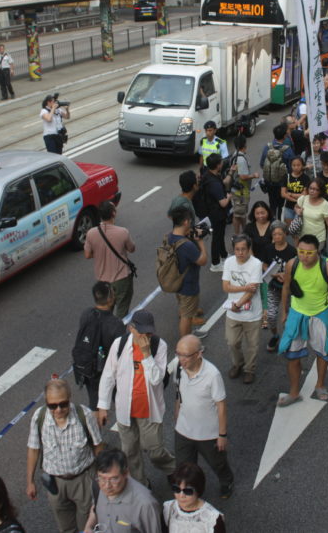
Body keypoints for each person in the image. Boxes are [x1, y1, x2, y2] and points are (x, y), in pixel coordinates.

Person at [97, 310, 177, 486]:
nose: (145, 336)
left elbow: (157, 379)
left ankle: (171, 468)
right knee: (130, 451)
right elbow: (109, 375)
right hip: (125, 410)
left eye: (149, 333)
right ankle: (141, 484)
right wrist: (103, 406)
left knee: (154, 449)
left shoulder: (159, 346)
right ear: (130, 328)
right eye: (141, 332)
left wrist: (147, 354)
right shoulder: (119, 344)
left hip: (149, 410)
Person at [25, 377, 103, 533]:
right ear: (46, 402)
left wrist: (102, 478)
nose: (58, 409)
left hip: (83, 480)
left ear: (69, 398)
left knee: (87, 526)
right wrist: (30, 481)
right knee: (65, 528)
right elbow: (34, 449)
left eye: (63, 404)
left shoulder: (85, 416)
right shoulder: (39, 418)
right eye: (52, 406)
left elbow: (98, 447)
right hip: (55, 483)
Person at [277, 234, 328, 405]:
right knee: (292, 355)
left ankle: (320, 385)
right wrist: (284, 312)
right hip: (297, 313)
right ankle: (293, 392)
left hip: (321, 314)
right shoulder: (292, 264)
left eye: (309, 253)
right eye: (301, 252)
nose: (304, 256)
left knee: (322, 352)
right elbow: (285, 288)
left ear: (318, 252)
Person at [173, 336, 234, 499]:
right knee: (184, 468)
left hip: (208, 433)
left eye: (185, 355)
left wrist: (222, 435)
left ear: (199, 354)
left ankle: (226, 480)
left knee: (217, 463)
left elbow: (221, 405)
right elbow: (178, 393)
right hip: (184, 430)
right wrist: (177, 413)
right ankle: (190, 492)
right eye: (178, 354)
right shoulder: (179, 369)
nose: (181, 359)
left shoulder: (212, 375)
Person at [72, 281, 126, 408]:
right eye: (113, 294)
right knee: (119, 398)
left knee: (94, 402)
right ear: (110, 299)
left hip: (87, 367)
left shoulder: (86, 314)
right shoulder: (116, 324)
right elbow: (120, 352)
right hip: (106, 370)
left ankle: (95, 424)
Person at [84, 449, 163, 533]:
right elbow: (95, 507)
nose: (107, 486)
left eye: (114, 479)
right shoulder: (97, 485)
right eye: (102, 478)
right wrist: (89, 526)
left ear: (126, 473)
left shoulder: (145, 505)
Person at [221, 235, 263, 384]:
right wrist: (245, 287)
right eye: (237, 249)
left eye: (243, 249)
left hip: (252, 314)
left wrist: (238, 304)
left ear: (248, 249)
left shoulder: (256, 264)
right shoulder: (229, 262)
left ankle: (249, 369)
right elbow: (225, 287)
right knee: (232, 342)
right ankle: (238, 363)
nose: (240, 253)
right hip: (233, 312)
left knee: (252, 345)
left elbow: (252, 291)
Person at [85, 201, 136, 318]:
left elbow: (87, 255)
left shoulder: (91, 233)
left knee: (105, 313)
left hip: (102, 281)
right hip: (121, 279)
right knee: (122, 311)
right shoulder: (123, 232)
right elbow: (132, 249)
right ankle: (118, 333)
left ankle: (106, 333)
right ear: (113, 213)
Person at [166, 206, 209, 338]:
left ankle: (190, 333)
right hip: (188, 285)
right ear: (185, 222)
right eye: (190, 221)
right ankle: (186, 343)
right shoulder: (187, 245)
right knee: (186, 316)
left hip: (176, 281)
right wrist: (200, 242)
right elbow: (202, 260)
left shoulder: (170, 236)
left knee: (185, 311)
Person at [260, 221, 295, 353]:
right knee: (271, 316)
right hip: (272, 286)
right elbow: (263, 264)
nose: (277, 236)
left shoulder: (292, 251)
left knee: (289, 316)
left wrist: (286, 276)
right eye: (274, 234)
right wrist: (273, 274)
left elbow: (296, 269)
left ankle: (288, 339)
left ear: (285, 234)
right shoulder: (268, 248)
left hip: (289, 289)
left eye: (280, 234)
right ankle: (275, 335)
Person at [162, 463, 226, 532]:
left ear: (198, 490)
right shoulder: (168, 508)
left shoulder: (213, 519)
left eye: (187, 491)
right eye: (176, 489)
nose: (181, 495)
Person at [201, 153, 232, 272]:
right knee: (217, 237)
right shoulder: (213, 183)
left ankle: (223, 255)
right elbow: (223, 203)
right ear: (218, 165)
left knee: (220, 235)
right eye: (221, 162)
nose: (222, 163)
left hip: (213, 212)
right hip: (217, 214)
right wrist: (228, 196)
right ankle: (215, 263)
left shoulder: (208, 175)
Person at [295, 179, 328, 255]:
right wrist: (297, 211)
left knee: (313, 258)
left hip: (318, 238)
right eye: (311, 188)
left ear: (321, 191)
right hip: (303, 236)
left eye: (316, 189)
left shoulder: (325, 204)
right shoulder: (303, 199)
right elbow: (296, 206)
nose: (312, 191)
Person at [260, 123, 294, 219]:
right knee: (282, 205)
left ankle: (272, 223)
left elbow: (262, 164)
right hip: (282, 184)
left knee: (272, 204)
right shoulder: (287, 150)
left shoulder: (267, 147)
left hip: (270, 183)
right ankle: (279, 223)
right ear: (284, 136)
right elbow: (291, 167)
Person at [229, 135, 257, 236]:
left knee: (240, 213)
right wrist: (254, 175)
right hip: (241, 192)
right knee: (239, 214)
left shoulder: (235, 155)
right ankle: (239, 235)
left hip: (237, 190)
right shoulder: (241, 159)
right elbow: (243, 176)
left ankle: (242, 233)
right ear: (244, 145)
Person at [280, 156, 310, 225]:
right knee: (291, 229)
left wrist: (291, 194)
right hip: (288, 207)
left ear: (302, 165)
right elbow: (283, 194)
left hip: (301, 207)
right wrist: (296, 200)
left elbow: (305, 194)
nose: (296, 167)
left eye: (298, 165)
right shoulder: (286, 176)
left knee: (298, 228)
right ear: (291, 166)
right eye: (294, 165)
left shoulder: (306, 178)